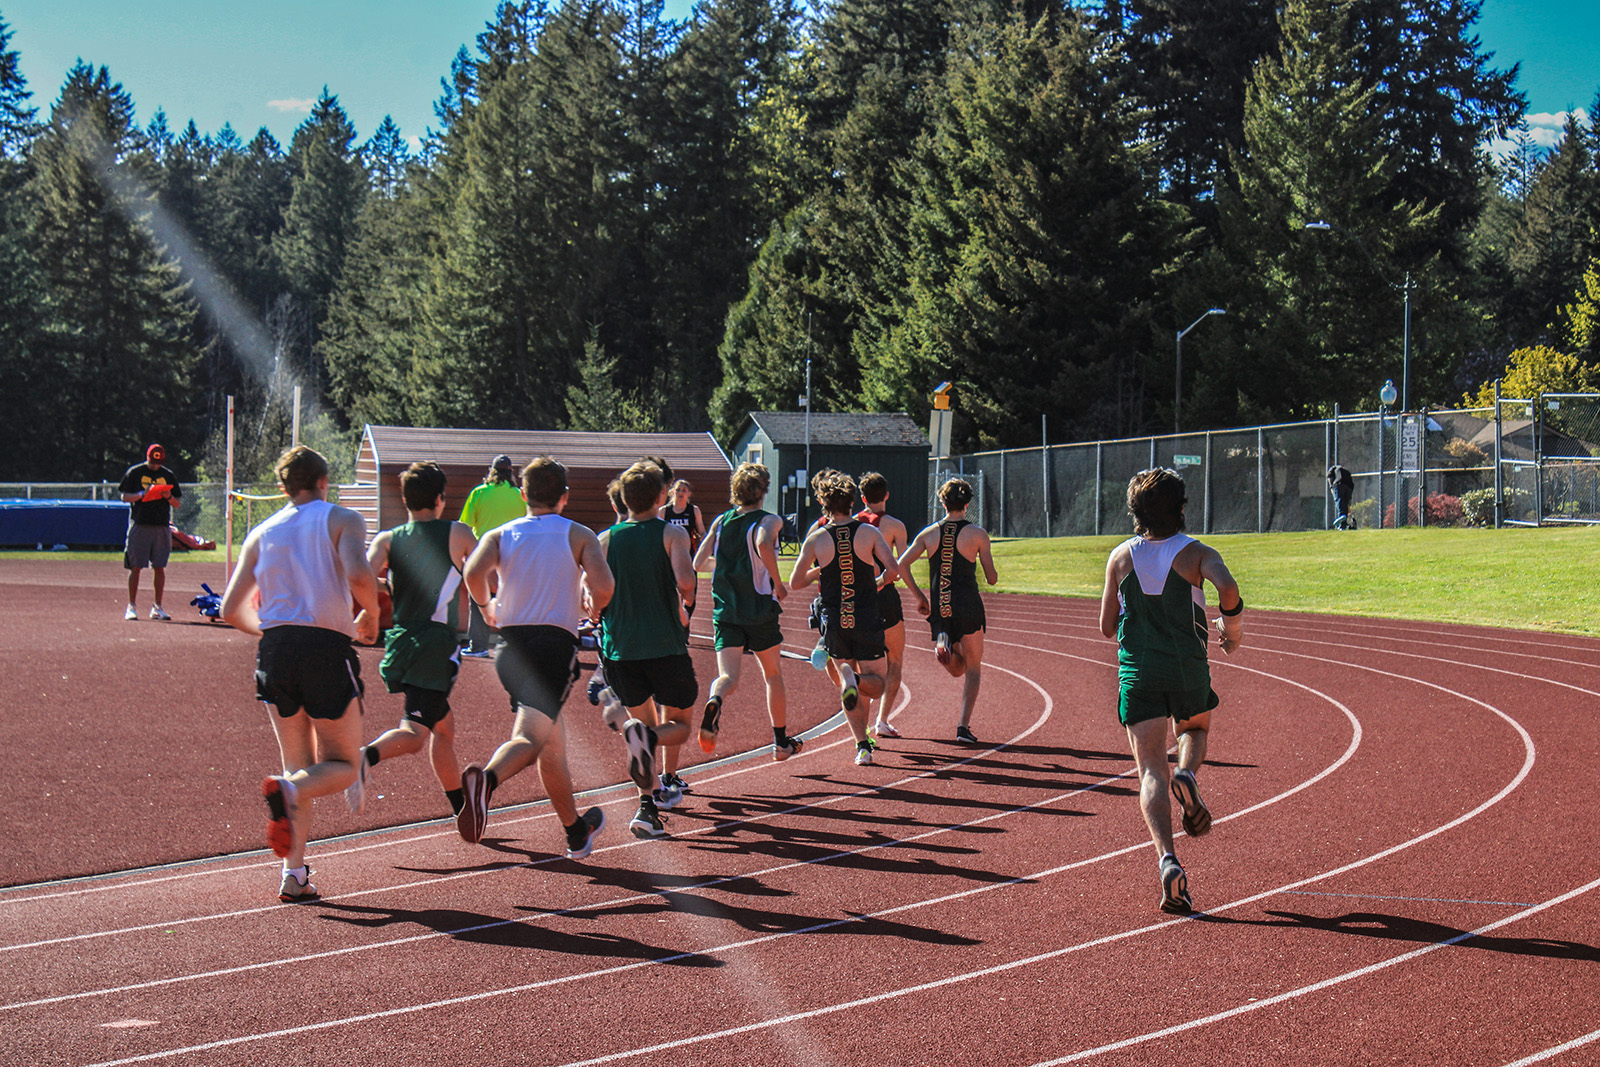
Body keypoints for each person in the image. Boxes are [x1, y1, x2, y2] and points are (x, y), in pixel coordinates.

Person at [220, 446, 380, 902]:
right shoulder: (341, 519)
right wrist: (369, 614)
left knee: (299, 767)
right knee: (345, 767)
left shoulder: (262, 531)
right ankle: (287, 793)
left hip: (274, 652)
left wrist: (272, 635)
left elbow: (232, 609)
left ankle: (294, 875)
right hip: (325, 647)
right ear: (324, 481)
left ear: (283, 488)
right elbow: (359, 573)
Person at [1097, 467, 1243, 915]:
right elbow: (1229, 588)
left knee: (1149, 773)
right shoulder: (1197, 553)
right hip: (1187, 669)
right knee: (1195, 730)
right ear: (1181, 508)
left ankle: (1167, 860)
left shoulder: (1120, 558)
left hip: (1138, 674)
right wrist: (1230, 629)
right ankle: (1190, 775)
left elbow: (1106, 627)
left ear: (1135, 512)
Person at [457, 457, 616, 857]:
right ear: (564, 496)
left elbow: (472, 573)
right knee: (529, 737)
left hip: (509, 647)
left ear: (523, 495)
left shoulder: (501, 534)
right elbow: (605, 584)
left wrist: (487, 606)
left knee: (550, 744)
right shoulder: (578, 534)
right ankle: (486, 783)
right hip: (552, 645)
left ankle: (575, 831)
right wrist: (594, 607)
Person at [347, 461, 478, 820]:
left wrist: (371, 610)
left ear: (405, 500)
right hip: (434, 644)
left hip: (400, 642)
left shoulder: (387, 539)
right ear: (440, 499)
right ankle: (364, 758)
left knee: (444, 727)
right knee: (416, 734)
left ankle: (461, 810)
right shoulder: (459, 533)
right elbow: (485, 572)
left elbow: (359, 574)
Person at [600, 460, 698, 838]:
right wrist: (683, 602)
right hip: (664, 644)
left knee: (639, 723)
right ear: (661, 497)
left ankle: (646, 809)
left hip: (621, 648)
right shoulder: (670, 534)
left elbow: (589, 597)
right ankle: (651, 743)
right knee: (679, 726)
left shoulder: (605, 539)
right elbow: (686, 581)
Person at [790, 469, 900, 767]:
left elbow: (796, 581)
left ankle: (862, 745)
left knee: (845, 682)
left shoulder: (816, 538)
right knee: (876, 683)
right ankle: (855, 683)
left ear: (824, 503)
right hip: (865, 614)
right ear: (852, 501)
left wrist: (824, 568)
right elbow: (893, 570)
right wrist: (876, 582)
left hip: (835, 619)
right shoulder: (868, 532)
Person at [691, 462, 800, 761]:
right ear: (764, 490)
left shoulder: (721, 521)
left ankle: (715, 698)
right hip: (759, 609)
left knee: (728, 677)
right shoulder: (770, 520)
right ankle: (780, 742)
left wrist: (726, 567)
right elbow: (764, 543)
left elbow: (699, 563)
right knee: (773, 674)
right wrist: (778, 582)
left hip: (726, 611)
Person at [898, 478, 998, 745]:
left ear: (943, 503)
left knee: (956, 669)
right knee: (973, 668)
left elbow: (901, 565)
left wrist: (920, 596)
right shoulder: (977, 534)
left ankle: (943, 644)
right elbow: (991, 578)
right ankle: (963, 727)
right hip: (968, 605)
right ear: (967, 504)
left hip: (941, 606)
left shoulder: (929, 533)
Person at [854, 472, 910, 742]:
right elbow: (898, 568)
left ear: (862, 498)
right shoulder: (896, 526)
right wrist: (920, 597)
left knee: (866, 667)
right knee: (894, 660)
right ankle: (882, 720)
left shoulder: (852, 524)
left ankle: (861, 731)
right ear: (886, 495)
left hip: (859, 600)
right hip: (885, 596)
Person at [458, 455, 525, 656]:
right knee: (512, 599)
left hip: (483, 553)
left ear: (491, 471)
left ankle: (478, 646)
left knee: (479, 599)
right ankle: (514, 647)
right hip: (512, 553)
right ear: (510, 473)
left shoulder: (478, 493)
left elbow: (465, 525)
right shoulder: (518, 495)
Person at [118, 443, 183, 621]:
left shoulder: (167, 475)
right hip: (140, 524)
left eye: (159, 462)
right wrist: (142, 494)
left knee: (159, 567)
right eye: (153, 462)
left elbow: (177, 503)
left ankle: (157, 606)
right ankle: (131, 606)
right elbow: (124, 497)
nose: (155, 465)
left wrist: (167, 496)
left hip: (161, 526)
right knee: (135, 566)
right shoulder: (135, 472)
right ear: (147, 457)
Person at [662, 479, 706, 559]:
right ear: (672, 492)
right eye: (678, 490)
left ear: (689, 494)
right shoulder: (664, 511)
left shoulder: (694, 510)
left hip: (688, 551)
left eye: (684, 490)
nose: (680, 492)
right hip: (669, 552)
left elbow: (702, 531)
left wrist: (704, 538)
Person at [1327, 463, 1355, 529]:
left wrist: (1331, 487)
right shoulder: (1346, 471)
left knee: (1338, 500)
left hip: (1339, 484)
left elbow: (1330, 479)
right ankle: (1343, 524)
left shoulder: (1333, 469)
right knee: (1345, 502)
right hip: (1349, 486)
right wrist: (1349, 505)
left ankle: (1342, 516)